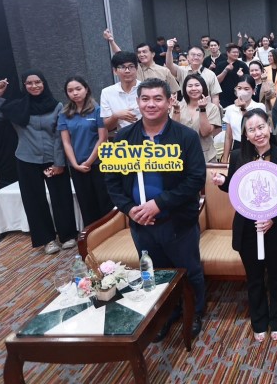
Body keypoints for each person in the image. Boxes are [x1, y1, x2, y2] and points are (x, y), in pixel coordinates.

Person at [105, 78, 207, 339]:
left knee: (189, 271)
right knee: (155, 273)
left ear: (169, 101)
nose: (151, 104)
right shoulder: (124, 137)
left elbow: (196, 179)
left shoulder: (185, 137)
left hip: (177, 221)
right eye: (145, 99)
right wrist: (130, 209)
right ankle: (166, 313)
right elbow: (112, 181)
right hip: (141, 223)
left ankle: (194, 311)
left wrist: (159, 203)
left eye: (157, 98)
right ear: (137, 102)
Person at [213, 109, 277, 342]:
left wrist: (274, 218)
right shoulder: (238, 156)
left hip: (276, 227)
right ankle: (259, 321)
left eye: (261, 127)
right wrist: (222, 182)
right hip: (247, 228)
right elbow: (234, 188)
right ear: (245, 134)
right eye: (251, 129)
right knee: (254, 278)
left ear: (269, 127)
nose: (257, 133)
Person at [0, 72, 78, 254]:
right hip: (27, 160)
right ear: (24, 86)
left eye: (38, 82)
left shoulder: (56, 106)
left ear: (44, 83)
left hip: (53, 159)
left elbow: (60, 137)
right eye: (29, 83)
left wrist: (59, 163)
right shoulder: (16, 107)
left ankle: (67, 235)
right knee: (34, 200)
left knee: (61, 197)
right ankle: (47, 240)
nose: (34, 86)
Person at [58, 76, 113, 226]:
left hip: (98, 164)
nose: (75, 93)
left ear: (86, 89)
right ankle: (91, 235)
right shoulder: (64, 113)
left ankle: (108, 234)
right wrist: (75, 164)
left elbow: (102, 138)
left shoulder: (97, 110)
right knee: (86, 203)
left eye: (78, 89)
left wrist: (88, 162)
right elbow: (66, 142)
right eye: (70, 90)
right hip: (77, 166)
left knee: (104, 201)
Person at [102, 30, 180, 94]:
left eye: (144, 52)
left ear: (153, 54)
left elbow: (174, 92)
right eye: (139, 52)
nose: (141, 55)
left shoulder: (164, 71)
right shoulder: (135, 68)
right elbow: (120, 55)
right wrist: (111, 41)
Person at [172, 74, 222, 163]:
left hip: (206, 157)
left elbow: (205, 133)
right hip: (181, 156)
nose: (193, 88)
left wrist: (202, 109)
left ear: (203, 87)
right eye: (190, 86)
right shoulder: (177, 106)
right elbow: (174, 132)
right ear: (185, 89)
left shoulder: (212, 108)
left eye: (197, 85)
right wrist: (176, 110)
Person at [221, 75, 267, 163]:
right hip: (238, 146)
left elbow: (252, 125)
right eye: (239, 88)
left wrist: (243, 109)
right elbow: (228, 137)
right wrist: (225, 159)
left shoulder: (259, 107)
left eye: (246, 89)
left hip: (255, 145)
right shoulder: (230, 109)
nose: (242, 91)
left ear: (253, 91)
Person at [165, 39, 222, 106]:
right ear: (188, 57)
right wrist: (169, 49)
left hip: (206, 107)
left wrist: (215, 110)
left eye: (199, 55)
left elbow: (215, 96)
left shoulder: (210, 74)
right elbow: (169, 65)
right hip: (186, 107)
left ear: (203, 58)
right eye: (193, 55)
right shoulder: (182, 70)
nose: (196, 57)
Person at [100, 51, 141, 132]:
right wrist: (116, 116)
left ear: (136, 69)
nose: (127, 71)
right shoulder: (107, 92)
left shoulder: (146, 89)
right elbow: (108, 126)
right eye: (122, 67)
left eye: (131, 66)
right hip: (123, 136)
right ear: (115, 71)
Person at [216, 44, 249, 108]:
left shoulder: (243, 65)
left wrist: (242, 76)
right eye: (234, 52)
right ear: (228, 53)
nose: (236, 54)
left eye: (237, 52)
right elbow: (216, 81)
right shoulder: (220, 65)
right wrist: (225, 70)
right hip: (224, 98)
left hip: (239, 97)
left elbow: (248, 81)